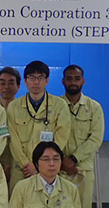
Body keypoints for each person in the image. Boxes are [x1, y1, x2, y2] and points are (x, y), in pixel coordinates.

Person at [61, 65, 104, 208]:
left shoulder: (94, 108)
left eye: (76, 78)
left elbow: (95, 139)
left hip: (82, 170)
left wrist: (74, 158)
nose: (73, 82)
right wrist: (61, 160)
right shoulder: (56, 106)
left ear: (83, 81)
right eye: (69, 78)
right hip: (58, 170)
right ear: (62, 81)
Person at [7, 60, 71, 192]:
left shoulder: (60, 105)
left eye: (40, 78)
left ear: (47, 80)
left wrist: (41, 164)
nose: (36, 82)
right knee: (19, 206)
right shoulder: (14, 106)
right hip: (22, 169)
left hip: (48, 167)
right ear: (25, 81)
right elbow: (13, 139)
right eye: (32, 78)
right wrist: (26, 164)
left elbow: (61, 137)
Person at [0, 66, 21, 179]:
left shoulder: (24, 111)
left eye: (11, 83)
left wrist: (12, 164)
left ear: (18, 86)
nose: (6, 87)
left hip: (19, 165)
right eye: (2, 83)